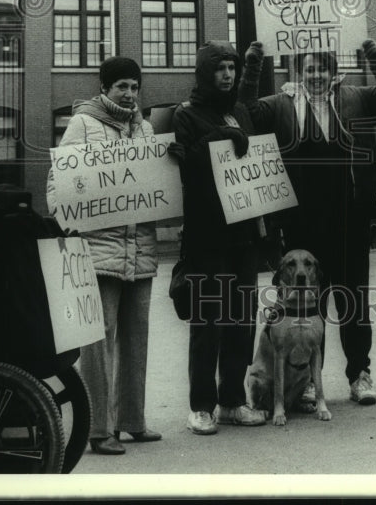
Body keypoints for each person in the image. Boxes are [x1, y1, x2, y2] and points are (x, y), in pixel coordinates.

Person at [239, 38, 376, 407]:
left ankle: (359, 374)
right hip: (301, 224)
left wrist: (375, 57)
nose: (316, 75)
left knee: (354, 302)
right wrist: (252, 65)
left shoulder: (356, 98)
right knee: (306, 308)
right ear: (300, 72)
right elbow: (245, 110)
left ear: (333, 73)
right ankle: (306, 382)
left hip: (349, 219)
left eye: (322, 68)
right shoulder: (281, 103)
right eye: (309, 68)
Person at [46, 56, 162, 455]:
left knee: (137, 340)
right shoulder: (83, 123)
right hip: (99, 250)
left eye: (134, 87)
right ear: (105, 87)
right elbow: (57, 181)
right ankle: (98, 429)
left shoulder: (145, 127)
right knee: (99, 344)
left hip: (141, 249)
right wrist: (71, 223)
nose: (129, 95)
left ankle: (133, 421)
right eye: (121, 87)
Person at [173, 40, 267, 435]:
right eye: (220, 69)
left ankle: (231, 400)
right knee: (208, 322)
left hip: (243, 235)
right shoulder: (186, 114)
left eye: (232, 68)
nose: (227, 75)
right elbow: (187, 169)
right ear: (204, 72)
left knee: (240, 322)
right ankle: (201, 405)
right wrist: (222, 138)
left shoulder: (241, 111)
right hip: (206, 238)